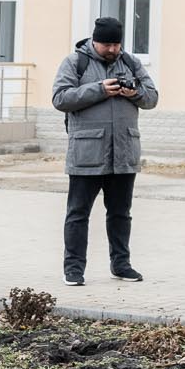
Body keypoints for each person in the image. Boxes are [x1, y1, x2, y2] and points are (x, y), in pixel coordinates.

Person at [50, 16, 157, 286]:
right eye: (107, 45)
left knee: (121, 214)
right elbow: (60, 98)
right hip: (86, 154)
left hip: (124, 153)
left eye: (116, 45)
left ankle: (121, 265)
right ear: (94, 42)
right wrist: (99, 90)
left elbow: (152, 98)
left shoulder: (131, 62)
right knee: (78, 214)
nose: (112, 50)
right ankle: (73, 269)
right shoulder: (75, 62)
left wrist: (134, 93)